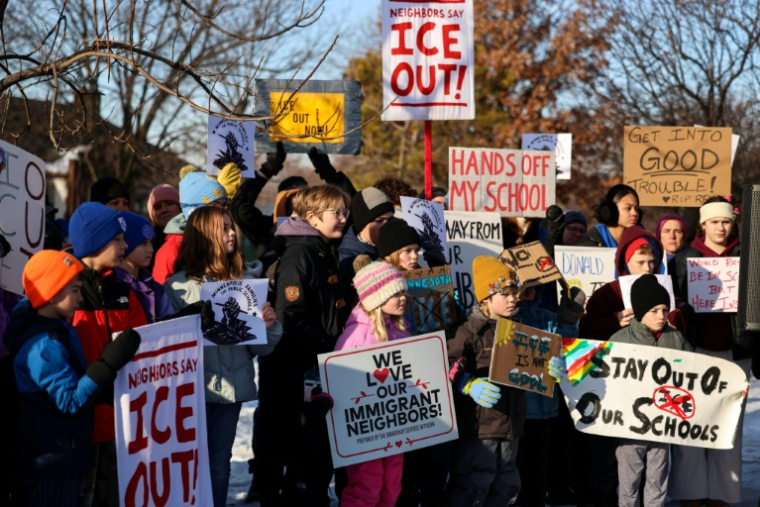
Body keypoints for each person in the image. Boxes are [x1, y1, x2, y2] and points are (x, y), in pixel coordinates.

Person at [165, 206, 282, 507]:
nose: (232, 233)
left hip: (231, 392)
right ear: (204, 236)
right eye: (225, 228)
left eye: (233, 227)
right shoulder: (177, 286)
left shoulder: (244, 283)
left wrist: (267, 325)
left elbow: (259, 348)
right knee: (188, 465)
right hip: (192, 395)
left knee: (220, 465)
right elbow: (167, 345)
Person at [5, 250, 141, 507]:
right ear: (52, 293)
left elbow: (75, 383)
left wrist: (104, 388)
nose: (81, 298)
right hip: (51, 462)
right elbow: (69, 401)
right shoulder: (43, 344)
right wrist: (108, 364)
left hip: (64, 454)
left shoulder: (57, 329)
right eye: (75, 291)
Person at [256, 184, 352, 506]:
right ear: (312, 217)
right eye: (335, 213)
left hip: (317, 365)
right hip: (297, 371)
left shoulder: (323, 250)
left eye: (344, 212)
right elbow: (290, 319)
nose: (342, 219)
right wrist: (328, 345)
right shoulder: (300, 254)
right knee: (301, 454)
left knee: (315, 457)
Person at [445, 256, 565, 506]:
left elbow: (532, 369)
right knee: (474, 484)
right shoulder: (467, 331)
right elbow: (446, 367)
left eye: (515, 293)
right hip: (478, 428)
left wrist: (550, 368)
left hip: (512, 424)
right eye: (506, 294)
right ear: (486, 299)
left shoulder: (519, 330)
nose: (513, 299)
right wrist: (466, 383)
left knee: (507, 485)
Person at [576, 225, 682, 507]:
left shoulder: (664, 293)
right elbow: (583, 333)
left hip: (656, 406)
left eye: (652, 261)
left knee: (655, 467)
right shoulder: (608, 293)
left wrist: (678, 318)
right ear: (625, 261)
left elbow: (684, 353)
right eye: (640, 262)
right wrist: (613, 321)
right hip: (613, 397)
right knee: (611, 461)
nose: (647, 267)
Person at [668, 196, 748, 507]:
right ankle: (690, 494)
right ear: (703, 224)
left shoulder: (746, 255)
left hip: (734, 352)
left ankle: (722, 496)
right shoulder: (686, 257)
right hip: (694, 352)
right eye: (714, 222)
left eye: (726, 221)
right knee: (690, 423)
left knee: (728, 429)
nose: (721, 227)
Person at [68, 202, 148, 507]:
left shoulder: (123, 291)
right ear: (95, 242)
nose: (125, 246)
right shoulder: (65, 293)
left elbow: (146, 340)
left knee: (112, 497)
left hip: (119, 420)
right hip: (81, 422)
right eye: (118, 239)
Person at [609, 274, 692, 507]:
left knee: (657, 479)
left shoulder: (675, 337)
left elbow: (695, 373)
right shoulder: (620, 340)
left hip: (663, 422)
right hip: (630, 425)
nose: (661, 316)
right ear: (639, 310)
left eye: (665, 309)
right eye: (654, 310)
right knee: (629, 480)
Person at [333, 256, 410, 507]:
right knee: (367, 485)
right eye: (394, 293)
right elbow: (338, 378)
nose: (403, 298)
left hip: (395, 425)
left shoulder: (401, 330)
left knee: (392, 486)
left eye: (403, 292)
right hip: (364, 428)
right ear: (377, 298)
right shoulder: (355, 335)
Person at [153, 167, 228, 284]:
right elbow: (162, 297)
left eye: (224, 205)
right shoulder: (171, 250)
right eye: (214, 205)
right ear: (194, 211)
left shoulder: (224, 241)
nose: (222, 211)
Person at [115, 212, 172, 323]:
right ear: (125, 245)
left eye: (151, 242)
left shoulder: (156, 288)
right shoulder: (112, 284)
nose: (150, 249)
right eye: (142, 243)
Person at [338, 187, 394, 282]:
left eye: (391, 220)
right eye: (379, 221)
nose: (387, 225)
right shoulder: (347, 258)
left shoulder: (397, 246)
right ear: (362, 224)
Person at [146, 184, 181, 251]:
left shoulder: (194, 237)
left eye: (169, 203)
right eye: (158, 207)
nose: (164, 210)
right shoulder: (148, 247)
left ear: (180, 207)